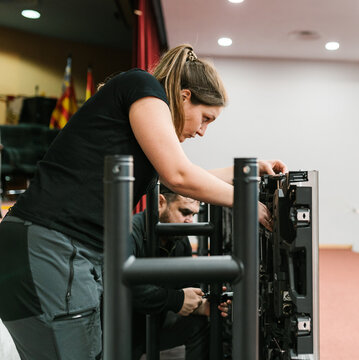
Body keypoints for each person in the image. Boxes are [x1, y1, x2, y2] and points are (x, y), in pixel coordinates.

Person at [0, 44, 287, 360]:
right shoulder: (142, 85)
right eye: (206, 118)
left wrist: (247, 171)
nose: (203, 132)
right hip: (50, 246)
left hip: (47, 249)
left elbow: (186, 175)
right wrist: (247, 203)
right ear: (184, 96)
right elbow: (180, 175)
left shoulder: (140, 134)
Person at [130, 185, 228, 360]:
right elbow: (124, 289)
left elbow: (186, 287)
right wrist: (177, 299)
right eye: (184, 212)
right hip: (121, 327)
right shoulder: (130, 232)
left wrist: (201, 305)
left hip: (155, 324)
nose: (190, 221)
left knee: (200, 323)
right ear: (160, 202)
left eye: (193, 214)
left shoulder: (180, 240)